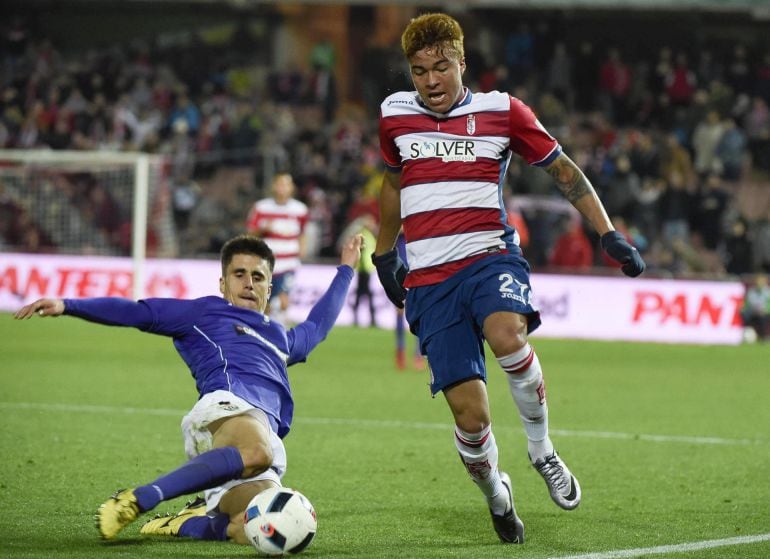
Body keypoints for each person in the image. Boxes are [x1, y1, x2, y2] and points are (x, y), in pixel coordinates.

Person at [371, 13, 645, 545]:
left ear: (462, 62)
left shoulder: (502, 111)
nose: (430, 81)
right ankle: (498, 493)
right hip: (430, 280)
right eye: (419, 70)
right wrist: (386, 254)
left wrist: (608, 234)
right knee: (470, 419)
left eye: (441, 67)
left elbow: (564, 170)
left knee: (507, 335)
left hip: (489, 256)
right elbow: (392, 181)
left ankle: (542, 450)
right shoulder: (394, 115)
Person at [14, 233, 363, 544]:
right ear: (223, 281)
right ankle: (142, 497)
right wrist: (68, 306)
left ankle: (191, 523)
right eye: (239, 274)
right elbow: (138, 313)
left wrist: (346, 269)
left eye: (258, 277)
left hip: (264, 435)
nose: (248, 283)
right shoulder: (204, 313)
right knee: (258, 453)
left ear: (270, 288)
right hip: (225, 410)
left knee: (259, 525)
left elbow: (317, 326)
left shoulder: (280, 338)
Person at [246, 172, 309, 324]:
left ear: (291, 188)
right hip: (266, 264)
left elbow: (302, 232)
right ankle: (268, 330)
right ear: (274, 186)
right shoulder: (261, 207)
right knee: (265, 303)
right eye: (279, 184)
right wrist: (263, 228)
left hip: (289, 263)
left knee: (283, 300)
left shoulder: (300, 210)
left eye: (286, 184)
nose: (282, 188)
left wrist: (303, 249)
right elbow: (250, 233)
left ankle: (280, 332)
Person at [741, 273, 770, 342]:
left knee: (762, 318)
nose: (759, 283)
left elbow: (769, 305)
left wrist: (765, 311)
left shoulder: (768, 292)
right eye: (758, 281)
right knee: (745, 315)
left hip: (764, 313)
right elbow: (746, 304)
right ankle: (746, 332)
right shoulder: (751, 292)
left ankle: (764, 336)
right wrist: (743, 309)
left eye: (761, 281)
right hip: (753, 312)